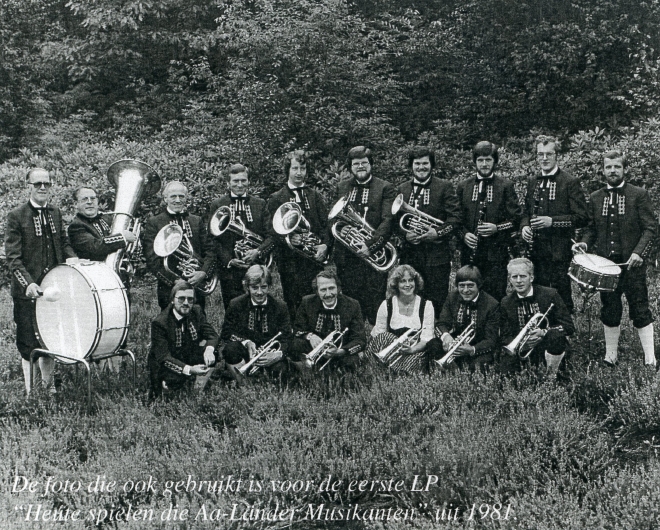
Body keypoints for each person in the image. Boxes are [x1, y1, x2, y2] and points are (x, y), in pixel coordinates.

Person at [573, 151, 657, 367]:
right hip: (606, 267)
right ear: (603, 170)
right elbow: (591, 229)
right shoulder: (595, 197)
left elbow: (650, 228)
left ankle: (650, 359)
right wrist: (584, 243)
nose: (612, 171)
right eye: (608, 167)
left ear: (624, 169)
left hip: (632, 265)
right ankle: (611, 358)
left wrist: (639, 253)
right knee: (609, 309)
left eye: (617, 167)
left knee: (640, 308)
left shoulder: (639, 194)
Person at [5, 168, 76, 394]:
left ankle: (48, 388)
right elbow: (13, 259)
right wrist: (28, 284)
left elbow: (62, 243)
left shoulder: (55, 212)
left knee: (51, 339)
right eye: (37, 184)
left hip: (53, 290)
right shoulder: (16, 216)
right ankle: (30, 393)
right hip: (28, 291)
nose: (43, 187)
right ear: (29, 186)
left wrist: (73, 259)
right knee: (28, 342)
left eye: (47, 183)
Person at [68, 185, 138, 371]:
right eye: (85, 199)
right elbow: (94, 247)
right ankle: (97, 365)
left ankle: (116, 365)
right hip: (97, 285)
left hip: (117, 279)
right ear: (76, 204)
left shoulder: (107, 220)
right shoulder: (77, 226)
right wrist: (121, 238)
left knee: (121, 320)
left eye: (93, 198)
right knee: (101, 323)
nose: (90, 202)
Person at [521, 135, 588, 312]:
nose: (544, 158)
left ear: (557, 155)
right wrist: (525, 226)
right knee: (538, 293)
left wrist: (553, 222)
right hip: (535, 250)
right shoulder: (532, 181)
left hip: (560, 250)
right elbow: (525, 212)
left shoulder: (570, 182)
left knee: (561, 294)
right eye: (540, 154)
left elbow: (581, 217)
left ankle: (564, 332)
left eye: (548, 154)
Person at [332, 146, 396, 323]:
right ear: (350, 167)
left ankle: (378, 343)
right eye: (356, 163)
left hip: (373, 256)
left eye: (364, 163)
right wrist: (342, 228)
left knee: (376, 307)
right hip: (347, 257)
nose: (360, 166)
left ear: (371, 164)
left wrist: (371, 245)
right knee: (350, 306)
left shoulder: (385, 188)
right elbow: (335, 218)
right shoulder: (342, 187)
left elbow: (388, 221)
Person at [395, 147, 461, 312]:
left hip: (437, 256)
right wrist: (405, 234)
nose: (421, 167)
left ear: (432, 165)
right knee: (409, 297)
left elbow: (455, 219)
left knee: (436, 300)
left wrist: (437, 232)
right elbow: (394, 221)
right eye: (417, 163)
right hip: (410, 255)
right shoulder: (402, 189)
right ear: (411, 166)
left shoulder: (444, 186)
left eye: (425, 163)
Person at [267, 150, 330, 317]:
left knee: (318, 299)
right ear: (288, 170)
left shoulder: (314, 196)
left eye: (302, 168)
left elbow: (326, 225)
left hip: (314, 260)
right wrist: (287, 238)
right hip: (290, 262)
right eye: (295, 168)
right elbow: (271, 231)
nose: (299, 172)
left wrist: (324, 245)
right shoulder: (277, 198)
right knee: (294, 302)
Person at [456, 142, 521, 301]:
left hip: (496, 253)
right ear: (475, 162)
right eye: (480, 160)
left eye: (488, 160)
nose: (484, 164)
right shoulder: (463, 186)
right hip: (469, 252)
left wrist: (497, 228)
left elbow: (517, 219)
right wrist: (464, 235)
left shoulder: (505, 186)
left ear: (495, 161)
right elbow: (455, 219)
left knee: (495, 293)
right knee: (469, 292)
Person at [142, 181, 216, 310]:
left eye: (181, 196)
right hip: (169, 287)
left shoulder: (196, 220)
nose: (177, 200)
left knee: (198, 320)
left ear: (186, 198)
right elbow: (152, 260)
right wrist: (175, 281)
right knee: (169, 323)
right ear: (165, 199)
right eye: (173, 196)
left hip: (196, 283)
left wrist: (203, 273)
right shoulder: (155, 222)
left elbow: (209, 250)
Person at [210, 164, 275, 308]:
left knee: (259, 306)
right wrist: (229, 260)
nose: (240, 184)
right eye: (235, 181)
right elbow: (212, 239)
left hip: (257, 266)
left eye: (243, 180)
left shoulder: (260, 204)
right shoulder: (218, 204)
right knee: (233, 309)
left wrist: (258, 251)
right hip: (230, 271)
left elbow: (271, 235)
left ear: (248, 181)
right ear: (228, 183)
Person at [500, 258, 574, 376]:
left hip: (547, 345)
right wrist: (522, 344)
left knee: (556, 339)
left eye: (523, 276)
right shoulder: (505, 302)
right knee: (505, 375)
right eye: (514, 277)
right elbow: (504, 335)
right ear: (509, 280)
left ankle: (552, 375)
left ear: (532, 278)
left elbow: (569, 327)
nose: (518, 281)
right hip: (523, 349)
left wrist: (544, 332)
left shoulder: (550, 294)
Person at [147, 281, 219, 398]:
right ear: (172, 300)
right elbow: (164, 357)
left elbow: (212, 335)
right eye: (181, 299)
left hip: (188, 354)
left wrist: (209, 350)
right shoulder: (160, 323)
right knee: (174, 381)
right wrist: (190, 369)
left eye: (190, 299)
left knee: (214, 353)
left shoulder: (196, 311)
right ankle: (165, 388)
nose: (186, 303)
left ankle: (197, 388)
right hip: (167, 362)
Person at [221, 265, 292, 377]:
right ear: (247, 287)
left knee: (280, 371)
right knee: (231, 349)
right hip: (245, 353)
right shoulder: (235, 304)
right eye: (254, 287)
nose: (259, 292)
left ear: (269, 287)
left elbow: (287, 337)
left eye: (263, 287)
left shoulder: (280, 306)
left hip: (270, 355)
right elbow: (226, 333)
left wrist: (278, 354)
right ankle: (243, 381)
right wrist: (246, 342)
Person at [366, 264, 438, 372]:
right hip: (391, 350)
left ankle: (395, 372)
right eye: (403, 281)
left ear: (416, 282)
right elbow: (379, 336)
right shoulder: (387, 305)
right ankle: (383, 369)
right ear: (396, 284)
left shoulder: (426, 305)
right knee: (384, 337)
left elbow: (426, 339)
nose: (408, 284)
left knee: (414, 363)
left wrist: (412, 349)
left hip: (415, 351)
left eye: (411, 280)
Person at [291, 270, 366, 371]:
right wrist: (310, 336)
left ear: (338, 288)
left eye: (331, 288)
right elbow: (298, 329)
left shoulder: (353, 305)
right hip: (312, 348)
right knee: (295, 344)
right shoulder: (307, 302)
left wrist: (340, 351)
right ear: (317, 291)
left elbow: (360, 339)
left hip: (340, 351)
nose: (328, 294)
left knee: (353, 360)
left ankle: (325, 369)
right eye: (323, 290)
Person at [434, 265, 500, 370]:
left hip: (477, 347)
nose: (465, 290)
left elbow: (491, 339)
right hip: (455, 344)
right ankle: (451, 373)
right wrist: (446, 336)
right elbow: (441, 323)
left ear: (478, 285)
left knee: (479, 364)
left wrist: (472, 349)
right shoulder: (452, 297)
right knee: (433, 344)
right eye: (461, 285)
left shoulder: (492, 305)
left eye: (470, 285)